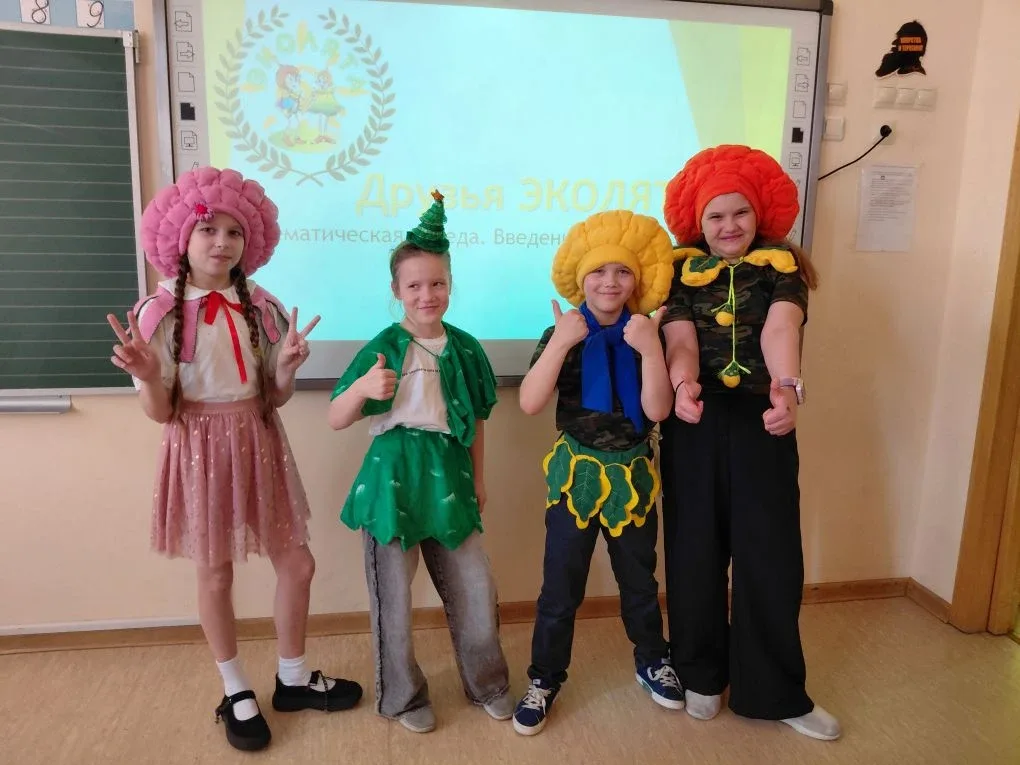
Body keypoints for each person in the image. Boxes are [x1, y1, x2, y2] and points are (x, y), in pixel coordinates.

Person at [107, 166, 362, 752]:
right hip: (198, 447)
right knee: (216, 572)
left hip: (259, 440)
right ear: (182, 238)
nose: (222, 242)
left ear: (250, 241)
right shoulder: (157, 313)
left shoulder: (262, 306)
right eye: (208, 230)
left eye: (234, 232)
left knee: (297, 564)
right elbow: (161, 412)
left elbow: (274, 397)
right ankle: (236, 688)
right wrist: (147, 373)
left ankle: (292, 678)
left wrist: (286, 370)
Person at [657, 145, 840, 740]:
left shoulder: (782, 267)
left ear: (759, 215)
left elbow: (781, 327)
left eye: (740, 212)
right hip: (694, 420)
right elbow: (680, 340)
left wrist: (786, 390)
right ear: (698, 222)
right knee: (694, 550)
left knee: (770, 554)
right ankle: (700, 674)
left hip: (765, 418)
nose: (729, 225)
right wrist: (682, 386)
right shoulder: (679, 271)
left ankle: (774, 691)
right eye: (716, 215)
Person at [327, 190, 511, 734]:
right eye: (414, 286)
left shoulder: (466, 347)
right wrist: (361, 388)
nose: (427, 295)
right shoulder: (383, 345)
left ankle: (487, 683)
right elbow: (336, 416)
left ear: (449, 285)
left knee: (476, 588)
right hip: (392, 478)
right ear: (396, 291)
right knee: (394, 600)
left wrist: (479, 479)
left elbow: (475, 420)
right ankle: (403, 697)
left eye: (437, 284)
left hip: (450, 473)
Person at [511, 210, 683, 735]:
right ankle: (544, 679)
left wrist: (650, 348)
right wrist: (562, 340)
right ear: (580, 279)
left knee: (639, 581)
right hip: (575, 478)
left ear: (637, 280)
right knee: (560, 586)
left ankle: (652, 660)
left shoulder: (646, 332)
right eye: (599, 271)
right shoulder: (560, 332)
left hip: (632, 477)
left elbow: (658, 410)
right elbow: (529, 402)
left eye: (622, 271)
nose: (610, 281)